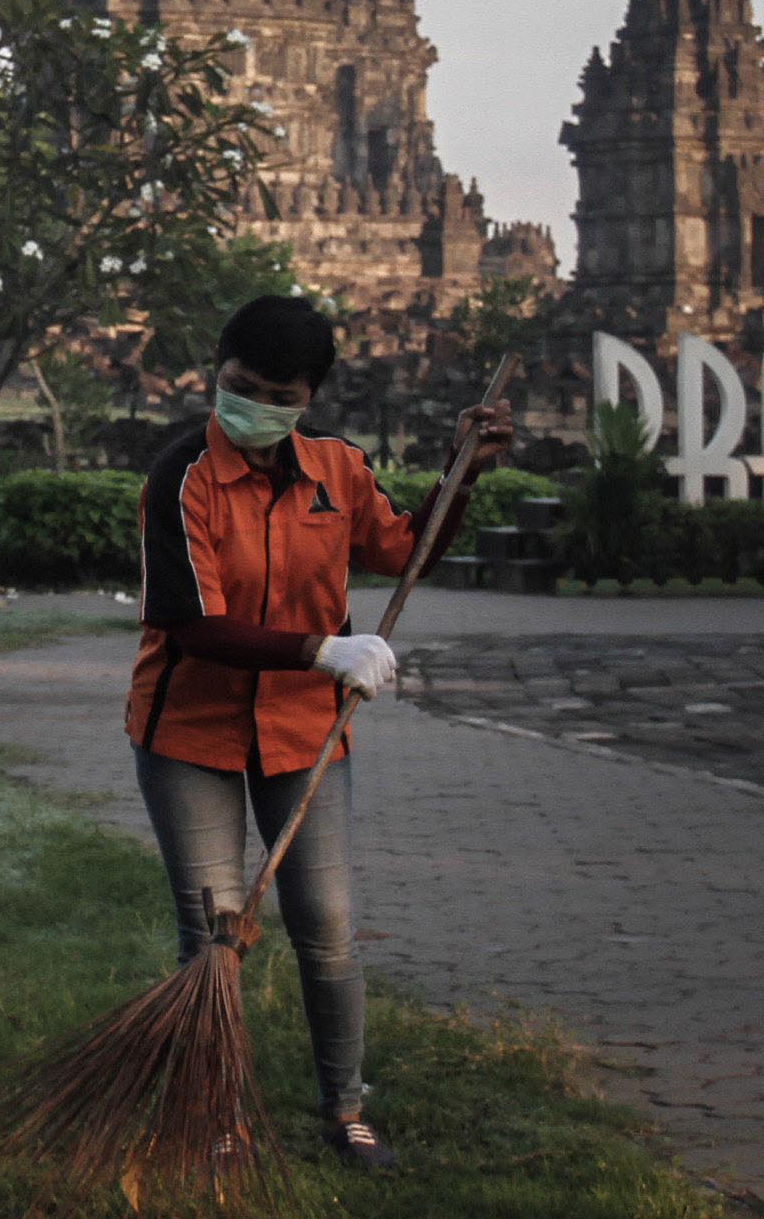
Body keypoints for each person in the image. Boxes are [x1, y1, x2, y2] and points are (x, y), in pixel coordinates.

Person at [125, 292, 515, 1174]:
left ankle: (345, 1108)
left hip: (304, 736)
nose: (252, 402)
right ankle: (216, 1110)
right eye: (239, 384)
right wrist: (323, 649)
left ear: (308, 398)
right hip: (190, 734)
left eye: (276, 392)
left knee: (327, 927)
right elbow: (192, 624)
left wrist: (464, 469)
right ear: (215, 370)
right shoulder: (181, 475)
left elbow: (406, 548)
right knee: (215, 934)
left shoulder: (336, 470)